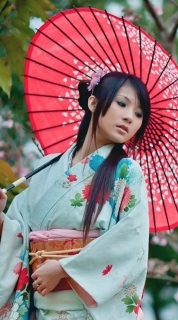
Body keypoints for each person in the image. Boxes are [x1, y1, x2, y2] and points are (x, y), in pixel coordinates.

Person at [0, 71, 150, 320]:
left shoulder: (127, 172)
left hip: (87, 310)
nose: (128, 117)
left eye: (138, 114)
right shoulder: (48, 166)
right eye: (122, 104)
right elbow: (19, 233)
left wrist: (64, 269)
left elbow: (130, 243)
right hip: (41, 306)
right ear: (93, 102)